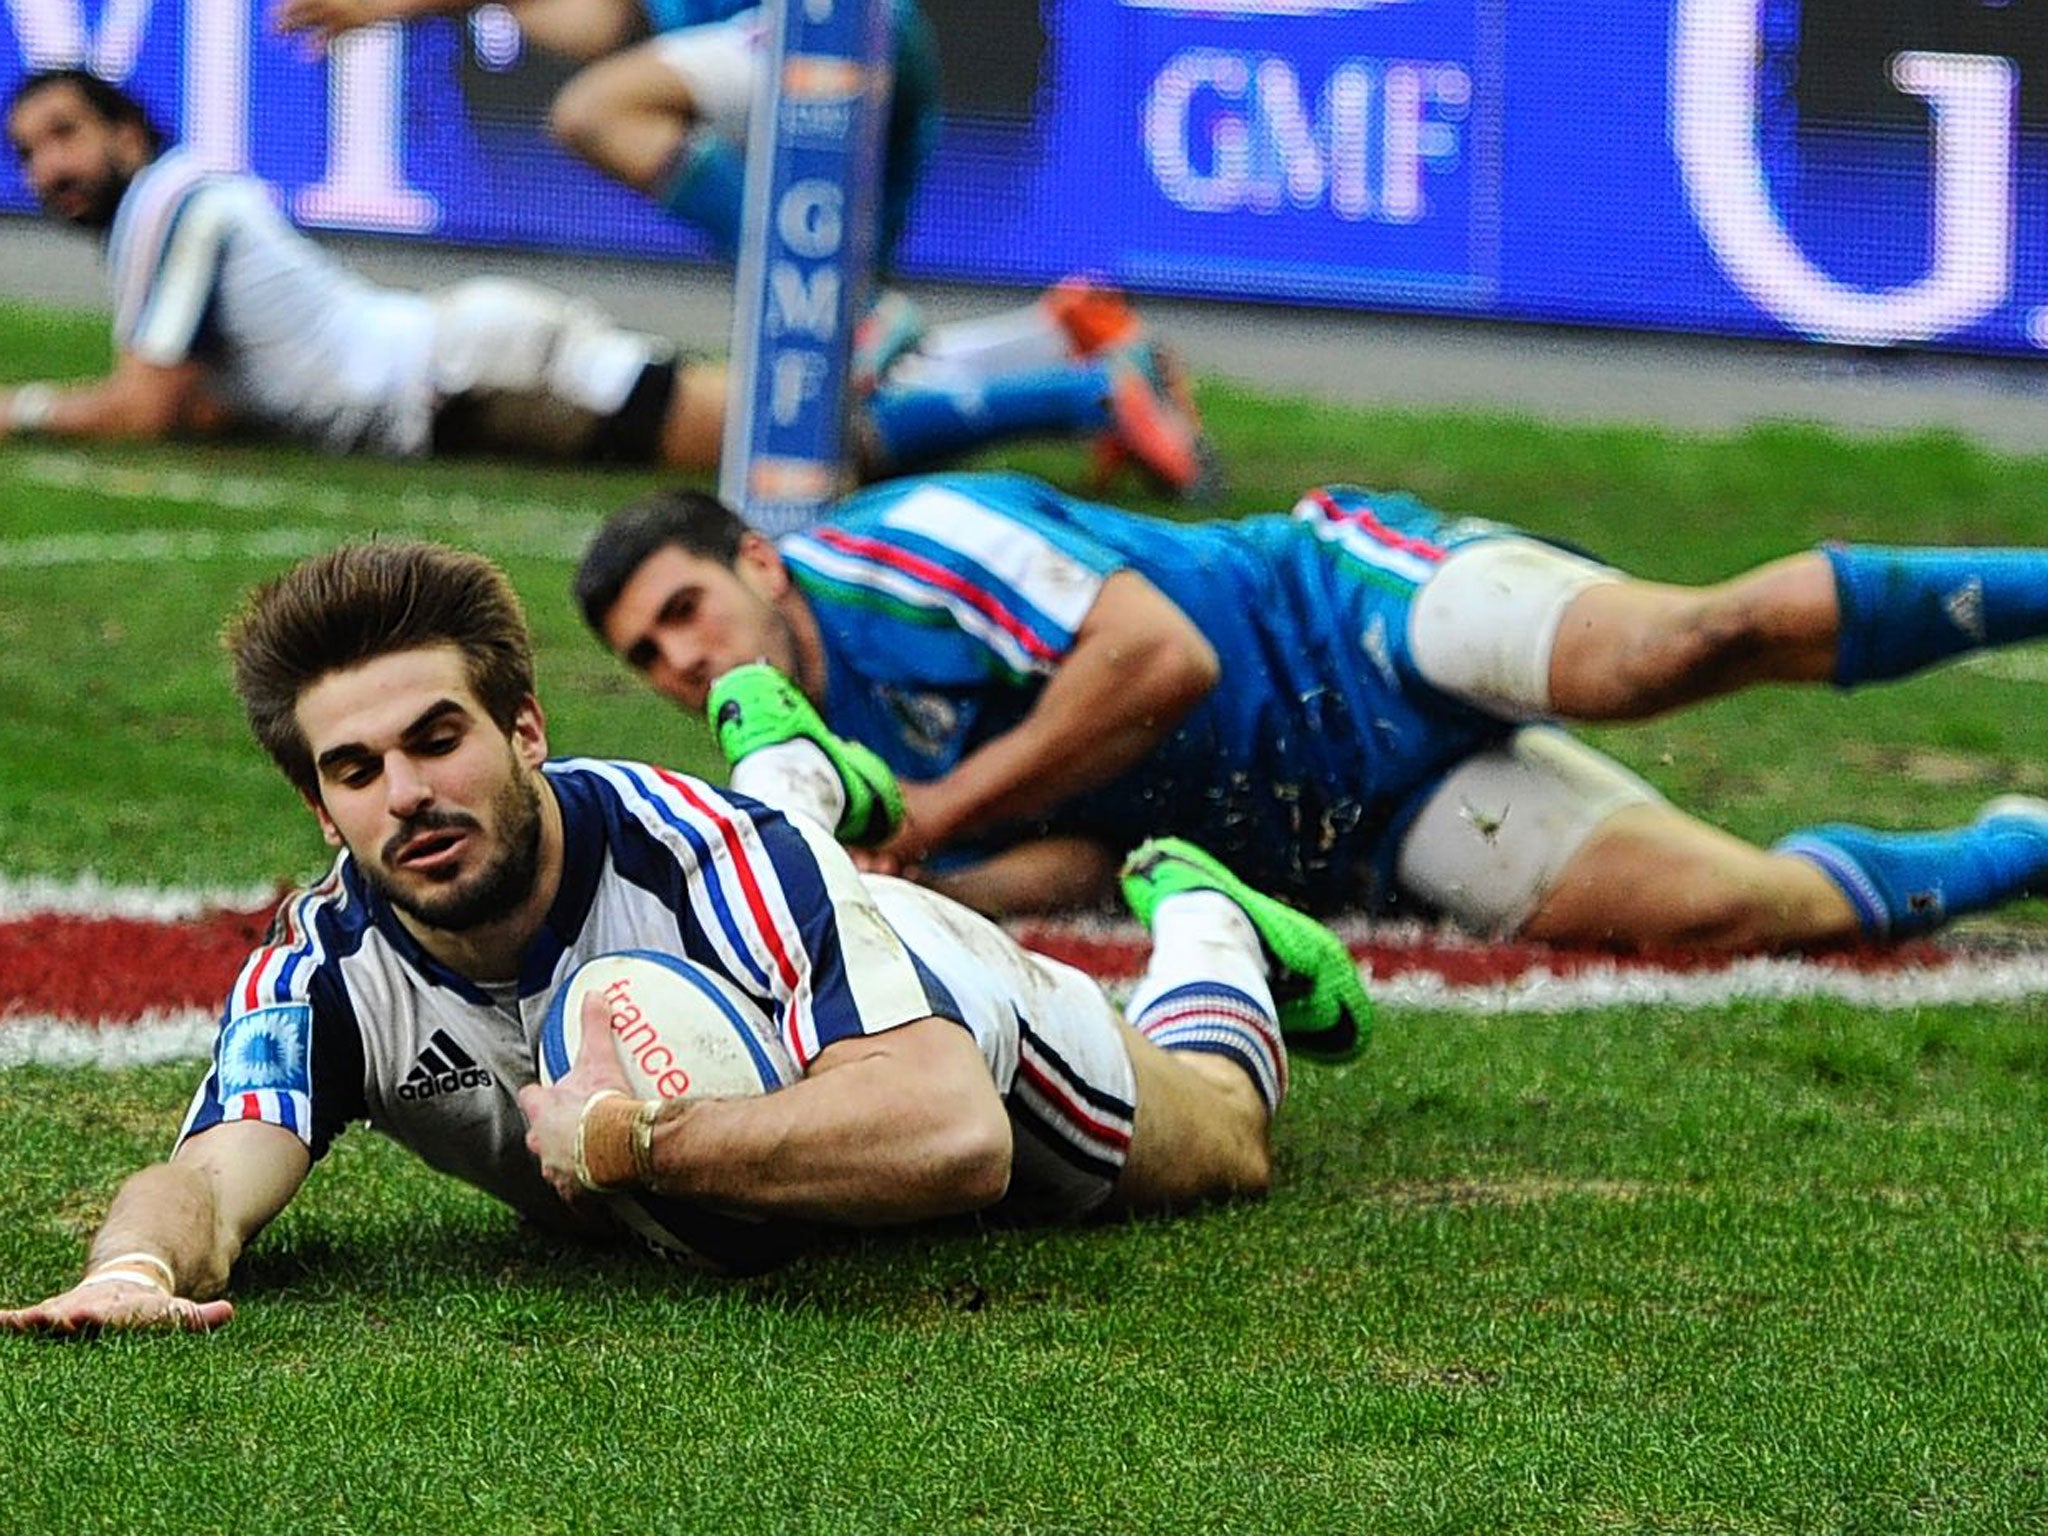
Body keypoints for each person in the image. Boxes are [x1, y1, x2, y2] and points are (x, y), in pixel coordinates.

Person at [0, 537, 1368, 1334]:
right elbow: (207, 1178)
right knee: (767, 859)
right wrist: (131, 1268)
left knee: (1229, 1141)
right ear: (319, 804)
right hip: (782, 948)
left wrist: (635, 1142)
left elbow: (955, 1138)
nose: (406, 794)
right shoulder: (328, 969)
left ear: (525, 729)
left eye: (438, 740)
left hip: (930, 991)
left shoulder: (703, 853)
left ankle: (1205, 918)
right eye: (357, 771)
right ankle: (807, 765)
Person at [573, 469, 2048, 951]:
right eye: (647, 657)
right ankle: (2025, 837)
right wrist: (929, 894)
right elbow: (1082, 868)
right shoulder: (812, 756)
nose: (681, 664)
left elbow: (1161, 661)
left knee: (1665, 650)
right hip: (1333, 821)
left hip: (1337, 610)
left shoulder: (903, 548)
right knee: (1734, 914)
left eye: (686, 613)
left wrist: (943, 821)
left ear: (758, 561)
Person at [1, 69, 1206, 493]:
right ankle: (1045, 338)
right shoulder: (179, 203)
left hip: (475, 379)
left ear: (124, 130)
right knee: (779, 420)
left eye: (63, 135)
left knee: (799, 450)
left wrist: (21, 411)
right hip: (468, 365)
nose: (48, 167)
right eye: (28, 153)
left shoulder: (169, 201)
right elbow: (210, 398)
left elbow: (145, 405)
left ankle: (1086, 393)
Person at [268, 0, 1213, 495]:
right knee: (836, 376)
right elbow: (593, 22)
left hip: (826, 29)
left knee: (596, 110)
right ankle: (1072, 349)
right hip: (854, 50)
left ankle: (1019, 365)